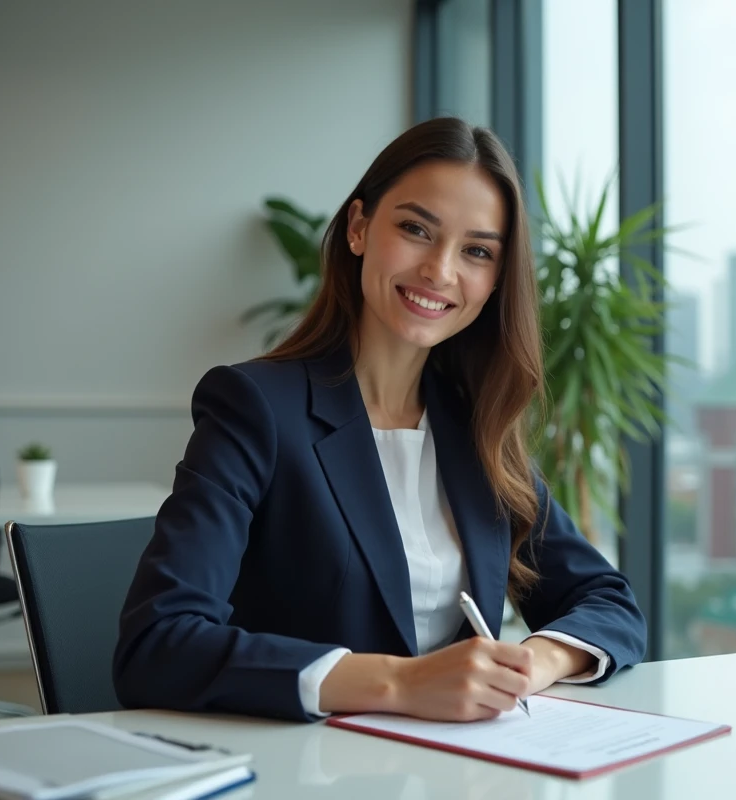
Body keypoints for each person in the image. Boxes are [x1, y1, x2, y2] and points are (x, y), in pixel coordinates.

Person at [112, 117, 647, 724]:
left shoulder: (475, 427)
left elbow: (609, 601)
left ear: (496, 279)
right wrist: (399, 682)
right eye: (417, 229)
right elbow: (156, 645)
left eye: (476, 251)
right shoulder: (255, 407)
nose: (440, 271)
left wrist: (537, 661)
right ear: (360, 227)